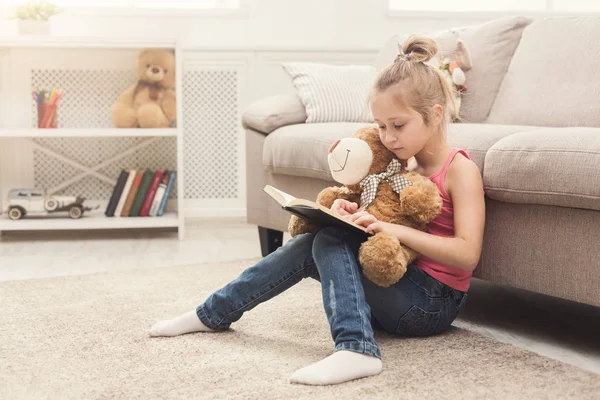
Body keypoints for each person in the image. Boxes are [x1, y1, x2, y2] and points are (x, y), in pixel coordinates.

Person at [149, 35, 485, 386]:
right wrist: (351, 211)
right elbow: (386, 221)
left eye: (398, 125)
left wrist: (394, 231)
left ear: (435, 115)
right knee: (317, 240)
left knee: (327, 241)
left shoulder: (460, 170)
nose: (387, 138)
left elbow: (467, 253)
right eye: (381, 126)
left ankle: (357, 348)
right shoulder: (402, 168)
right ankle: (214, 312)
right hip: (399, 289)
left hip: (432, 304)